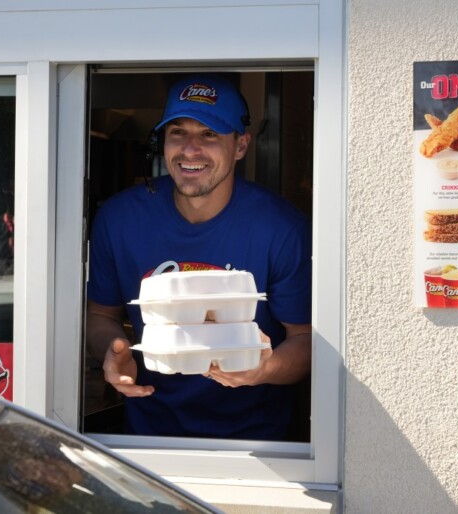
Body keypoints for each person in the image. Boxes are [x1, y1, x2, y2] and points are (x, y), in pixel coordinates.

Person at [86, 74, 312, 441]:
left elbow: (305, 341)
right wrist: (114, 352)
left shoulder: (281, 228)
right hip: (147, 438)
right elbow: (100, 315)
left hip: (258, 445)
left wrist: (263, 369)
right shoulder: (121, 218)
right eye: (178, 132)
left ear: (240, 145)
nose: (190, 149)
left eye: (209, 134)